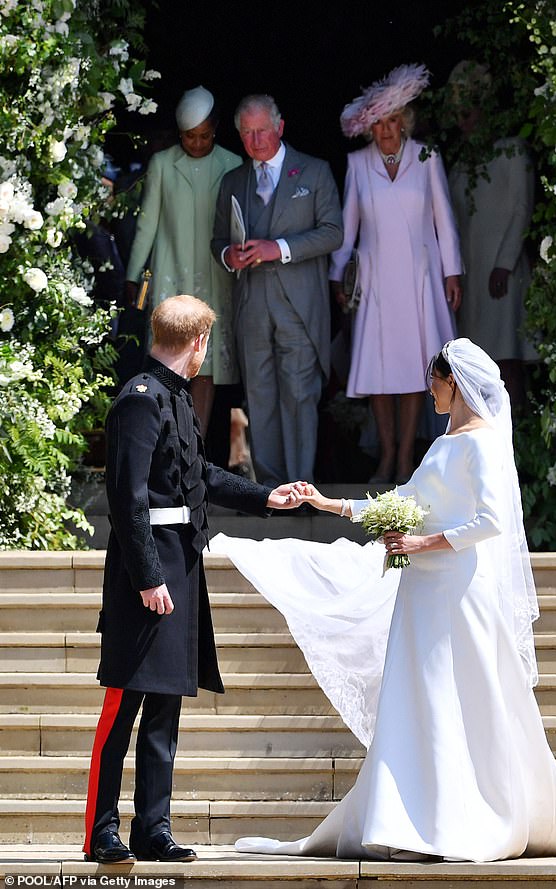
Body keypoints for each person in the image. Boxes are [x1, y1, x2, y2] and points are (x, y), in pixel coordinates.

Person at [212, 338, 556, 861]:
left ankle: (461, 819)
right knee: (422, 698)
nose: (428, 388)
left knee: (461, 694)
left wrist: (421, 543)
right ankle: (414, 819)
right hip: (424, 591)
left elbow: (490, 521)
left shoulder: (479, 442)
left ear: (453, 383)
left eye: (433, 380)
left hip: (457, 589)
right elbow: (404, 503)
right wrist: (327, 502)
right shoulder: (445, 443)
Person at [83, 294, 305, 865]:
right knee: (123, 708)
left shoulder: (175, 398)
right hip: (146, 571)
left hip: (177, 565)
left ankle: (151, 828)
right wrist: (148, 577)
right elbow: (127, 500)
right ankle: (101, 831)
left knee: (164, 708)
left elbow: (198, 475)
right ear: (199, 342)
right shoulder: (139, 400)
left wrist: (265, 498)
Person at [329, 64, 462, 484]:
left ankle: (406, 457)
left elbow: (445, 221)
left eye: (392, 121)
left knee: (413, 371)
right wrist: (338, 275)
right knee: (379, 374)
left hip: (419, 277)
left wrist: (452, 273)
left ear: (404, 122)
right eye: (379, 123)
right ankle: (386, 456)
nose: (386, 130)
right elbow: (348, 226)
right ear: (369, 128)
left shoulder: (427, 157)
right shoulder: (357, 163)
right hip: (375, 280)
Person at [211, 94, 343, 487]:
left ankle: (302, 487)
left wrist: (279, 248)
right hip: (251, 304)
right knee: (260, 396)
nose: (255, 140)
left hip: (299, 305)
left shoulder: (315, 172)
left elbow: (334, 233)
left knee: (301, 395)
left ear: (280, 128)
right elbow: (217, 239)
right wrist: (227, 256)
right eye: (247, 133)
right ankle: (270, 489)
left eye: (262, 130)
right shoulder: (233, 180)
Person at [125, 85, 241, 442]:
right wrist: (132, 274)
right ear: (179, 134)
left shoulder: (232, 163)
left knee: (205, 365)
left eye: (204, 135)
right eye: (190, 136)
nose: (197, 143)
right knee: (167, 361)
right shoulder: (162, 164)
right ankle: (166, 443)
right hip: (170, 274)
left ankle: (198, 444)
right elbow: (147, 223)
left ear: (215, 129)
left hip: (215, 276)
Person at [446, 61, 537, 411]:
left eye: (470, 110)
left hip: (502, 273)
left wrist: (504, 264)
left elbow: (521, 210)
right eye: (459, 113)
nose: (464, 119)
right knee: (476, 360)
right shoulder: (461, 163)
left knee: (506, 357)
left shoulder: (512, 150)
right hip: (471, 274)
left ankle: (517, 438)